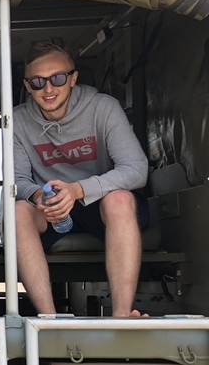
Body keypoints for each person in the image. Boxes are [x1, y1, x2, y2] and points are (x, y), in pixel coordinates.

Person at [13, 38, 149, 317]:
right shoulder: (16, 120)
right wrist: (38, 196)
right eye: (37, 82)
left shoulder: (103, 108)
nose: (48, 89)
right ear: (27, 86)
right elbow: (18, 180)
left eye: (57, 78)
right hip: (52, 210)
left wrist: (78, 190)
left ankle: (122, 317)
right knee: (18, 211)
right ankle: (48, 319)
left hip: (100, 205)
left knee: (120, 199)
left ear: (73, 78)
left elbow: (136, 169)